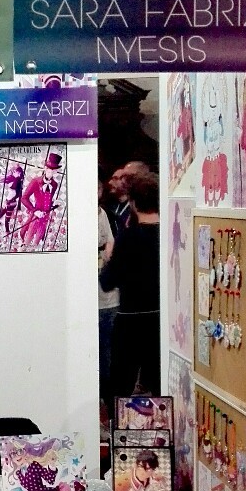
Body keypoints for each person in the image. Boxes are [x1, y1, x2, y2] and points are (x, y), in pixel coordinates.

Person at [100, 171, 160, 405]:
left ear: (133, 203)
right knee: (160, 385)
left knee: (120, 387)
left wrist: (108, 258)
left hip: (130, 320)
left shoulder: (128, 237)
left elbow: (108, 282)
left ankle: (119, 427)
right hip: (161, 321)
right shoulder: (170, 233)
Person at [98, 168, 119, 413]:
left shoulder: (107, 215)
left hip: (107, 298)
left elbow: (112, 244)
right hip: (85, 298)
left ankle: (109, 404)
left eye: (97, 188)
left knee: (108, 353)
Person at [19, 151, 63, 248]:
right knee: (27, 241)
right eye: (49, 169)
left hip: (45, 218)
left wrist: (54, 204)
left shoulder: (55, 185)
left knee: (36, 243)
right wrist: (35, 211)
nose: (51, 172)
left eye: (54, 170)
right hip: (35, 217)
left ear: (56, 171)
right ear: (45, 168)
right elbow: (24, 198)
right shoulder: (35, 181)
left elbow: (48, 200)